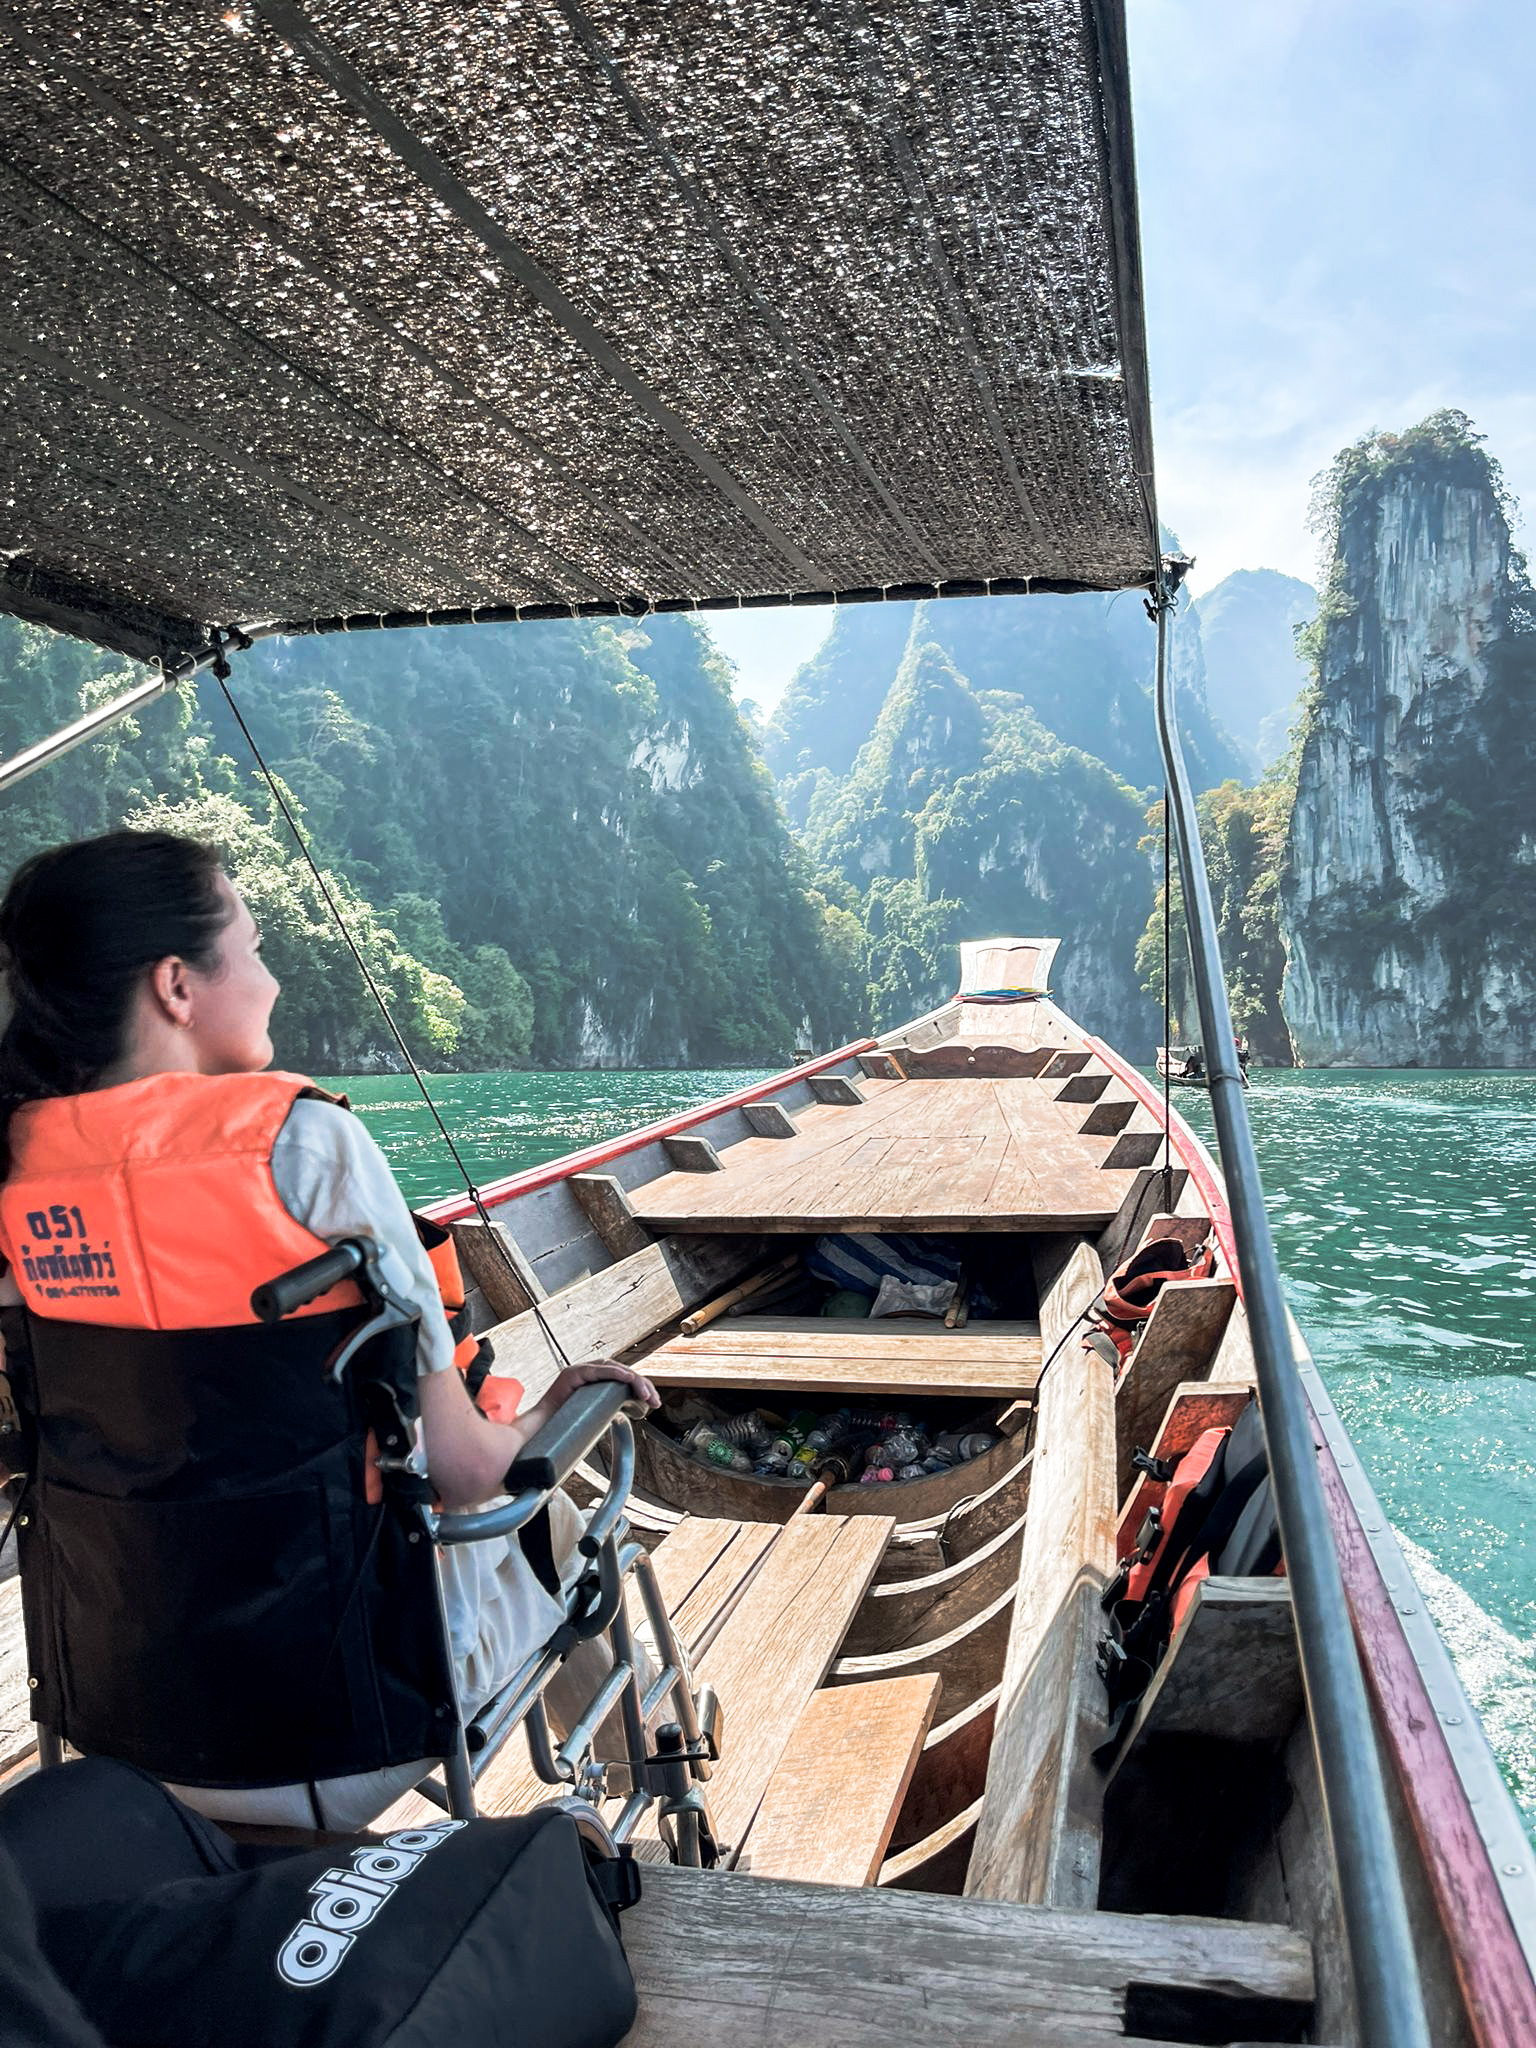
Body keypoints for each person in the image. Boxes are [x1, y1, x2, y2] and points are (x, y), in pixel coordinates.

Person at [0, 829, 657, 1829]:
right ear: (177, 984)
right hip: (336, 1730)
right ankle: (645, 1779)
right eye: (255, 949)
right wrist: (558, 1411)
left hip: (115, 1725)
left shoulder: (16, 1173)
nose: (269, 980)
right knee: (555, 1513)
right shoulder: (303, 1146)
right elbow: (469, 1473)